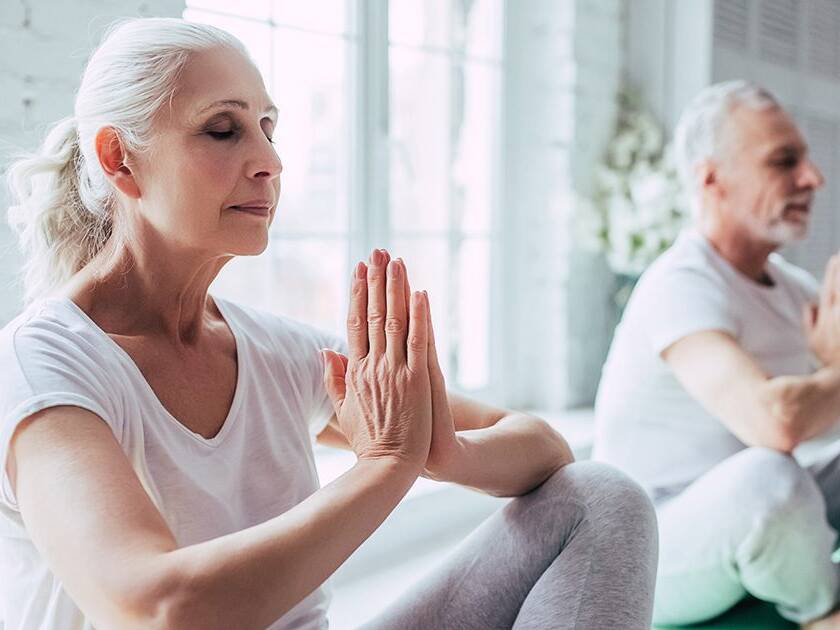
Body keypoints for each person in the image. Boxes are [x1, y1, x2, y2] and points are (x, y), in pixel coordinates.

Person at [0, 17, 657, 630]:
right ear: (118, 159)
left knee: (600, 497)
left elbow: (544, 448)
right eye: (223, 130)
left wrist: (439, 450)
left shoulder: (276, 351)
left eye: (267, 126)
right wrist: (389, 465)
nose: (270, 161)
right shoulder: (44, 364)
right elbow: (157, 608)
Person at [592, 80, 840, 628]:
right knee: (769, 479)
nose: (813, 178)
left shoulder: (791, 287)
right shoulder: (679, 282)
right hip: (647, 550)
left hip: (747, 520)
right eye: (785, 161)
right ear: (712, 179)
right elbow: (776, 423)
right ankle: (825, 612)